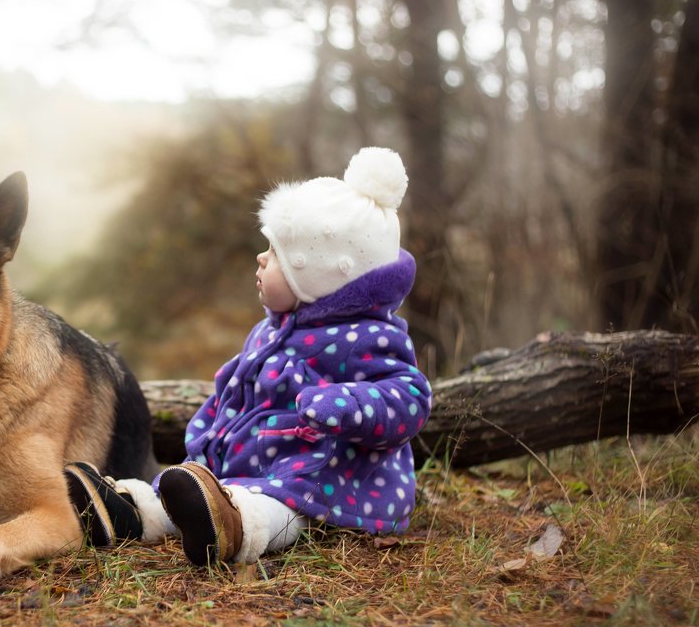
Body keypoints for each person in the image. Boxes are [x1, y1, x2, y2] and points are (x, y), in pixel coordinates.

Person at [65, 147, 433, 566]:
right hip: (254, 465)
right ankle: (129, 512)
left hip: (326, 481)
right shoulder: (270, 329)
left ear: (320, 278)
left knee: (277, 508)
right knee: (181, 490)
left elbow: (410, 397)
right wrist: (208, 431)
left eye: (276, 253)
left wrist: (346, 405)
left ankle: (235, 526)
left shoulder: (367, 337)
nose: (261, 258)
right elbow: (235, 391)